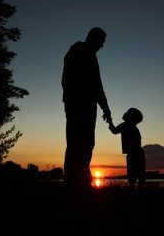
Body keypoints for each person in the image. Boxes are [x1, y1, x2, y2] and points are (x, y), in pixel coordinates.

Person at [61, 27, 111, 191]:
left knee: (75, 142)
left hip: (74, 103)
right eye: (101, 42)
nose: (102, 46)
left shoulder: (75, 51)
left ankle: (74, 180)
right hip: (83, 104)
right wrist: (105, 108)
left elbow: (67, 81)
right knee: (84, 142)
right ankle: (78, 181)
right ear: (93, 38)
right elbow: (96, 84)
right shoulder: (86, 53)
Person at [108, 108, 146, 189]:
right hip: (138, 152)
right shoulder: (133, 126)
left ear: (130, 117)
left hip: (133, 153)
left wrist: (109, 121)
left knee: (132, 172)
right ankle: (139, 189)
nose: (125, 113)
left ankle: (133, 190)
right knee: (139, 172)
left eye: (127, 113)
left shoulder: (125, 125)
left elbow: (114, 131)